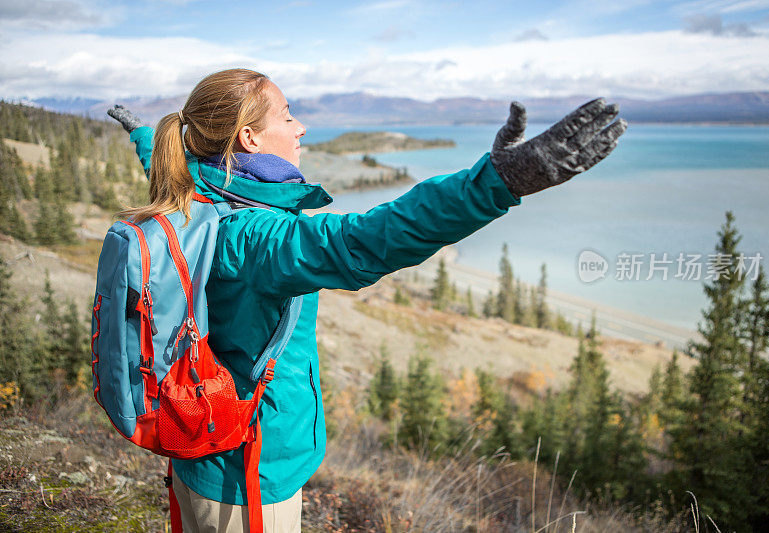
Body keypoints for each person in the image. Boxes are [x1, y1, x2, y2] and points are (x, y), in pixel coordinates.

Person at [108, 67, 626, 533]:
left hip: (199, 443)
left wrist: (147, 137)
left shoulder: (195, 194)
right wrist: (496, 184)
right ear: (248, 137)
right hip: (247, 473)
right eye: (288, 116)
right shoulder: (256, 238)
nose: (301, 128)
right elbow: (365, 240)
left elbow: (173, 159)